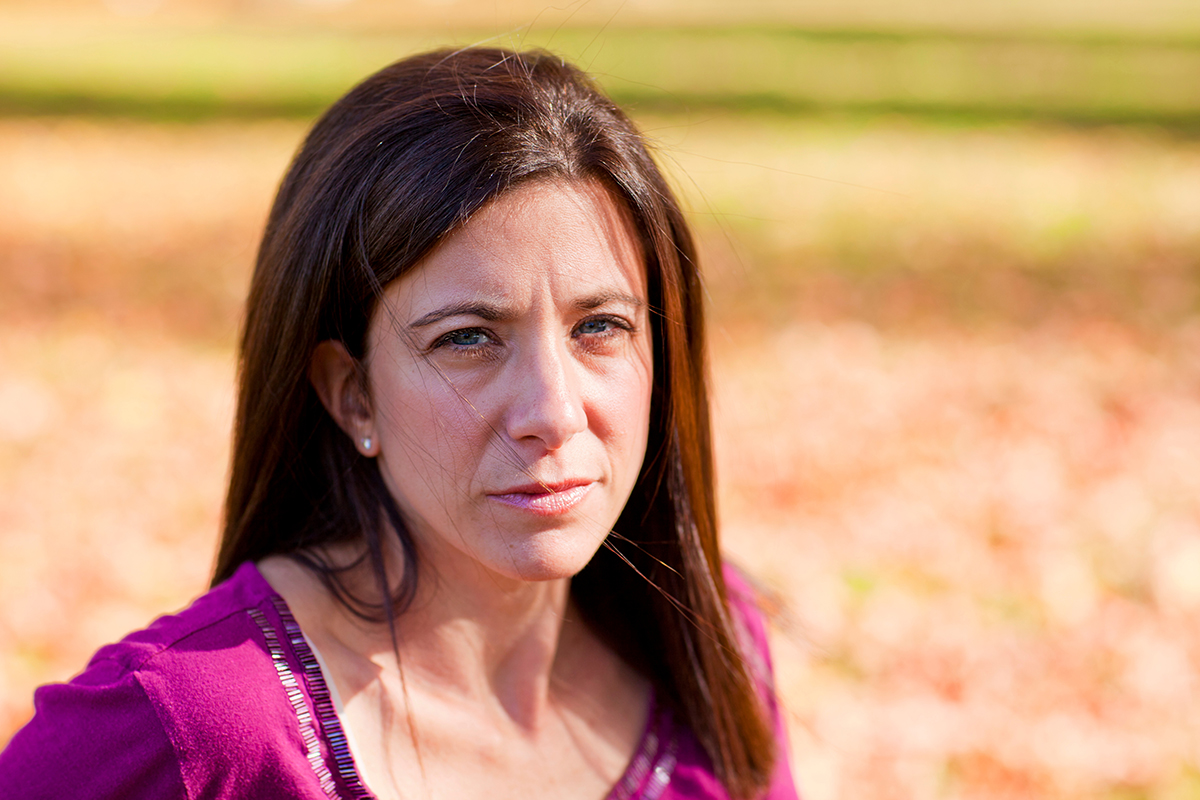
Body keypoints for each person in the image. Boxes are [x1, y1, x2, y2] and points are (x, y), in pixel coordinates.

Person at [0, 47, 798, 799]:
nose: (553, 412)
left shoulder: (710, 645)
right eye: (468, 339)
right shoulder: (192, 725)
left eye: (601, 327)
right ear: (354, 395)